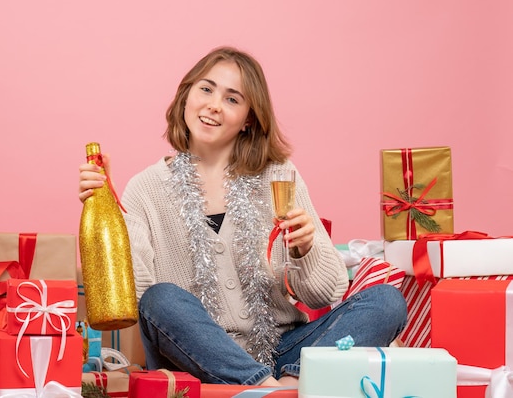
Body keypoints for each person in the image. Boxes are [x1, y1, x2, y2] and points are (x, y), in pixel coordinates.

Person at [78, 46, 407, 386]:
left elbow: (325, 295)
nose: (214, 105)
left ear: (249, 118)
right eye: (206, 89)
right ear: (186, 95)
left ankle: (291, 387)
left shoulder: (278, 175)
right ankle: (268, 389)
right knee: (161, 298)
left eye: (233, 99)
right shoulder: (145, 188)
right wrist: (115, 211)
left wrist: (304, 250)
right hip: (194, 358)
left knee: (386, 301)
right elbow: (138, 301)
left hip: (285, 351)